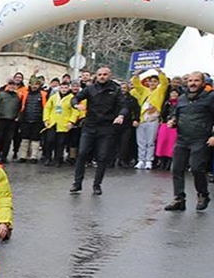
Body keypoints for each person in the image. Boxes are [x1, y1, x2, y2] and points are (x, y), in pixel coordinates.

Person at [163, 72, 214, 212]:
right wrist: (172, 120)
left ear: (203, 83)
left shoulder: (212, 97)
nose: (192, 83)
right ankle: (178, 199)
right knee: (177, 168)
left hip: (201, 139)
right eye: (190, 80)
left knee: (197, 168)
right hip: (182, 138)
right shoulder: (182, 98)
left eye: (196, 80)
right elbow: (174, 113)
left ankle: (203, 195)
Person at [69, 66, 129, 196]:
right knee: (82, 153)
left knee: (102, 157)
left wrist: (121, 116)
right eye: (100, 74)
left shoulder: (116, 90)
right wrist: (76, 105)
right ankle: (77, 183)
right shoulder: (90, 88)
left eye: (105, 74)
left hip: (106, 128)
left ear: (109, 75)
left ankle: (97, 185)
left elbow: (124, 106)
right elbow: (74, 98)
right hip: (90, 126)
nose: (102, 76)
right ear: (96, 76)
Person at [130, 69, 167, 170]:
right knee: (141, 141)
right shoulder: (144, 90)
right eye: (151, 81)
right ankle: (140, 160)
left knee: (150, 141)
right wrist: (137, 74)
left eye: (155, 81)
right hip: (143, 118)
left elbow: (165, 83)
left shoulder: (160, 91)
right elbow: (136, 84)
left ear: (157, 83)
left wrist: (160, 73)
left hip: (153, 119)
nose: (152, 83)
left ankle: (149, 161)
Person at [41, 78, 81, 166]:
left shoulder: (72, 98)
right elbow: (47, 108)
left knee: (60, 143)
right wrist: (46, 119)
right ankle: (48, 158)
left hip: (64, 124)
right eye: (62, 88)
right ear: (59, 88)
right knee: (49, 141)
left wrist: (71, 122)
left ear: (68, 88)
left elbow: (75, 111)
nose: (64, 90)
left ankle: (58, 159)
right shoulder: (54, 97)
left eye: (66, 88)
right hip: (52, 122)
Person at [16, 76, 47, 163]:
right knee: (24, 138)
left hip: (38, 120)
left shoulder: (43, 94)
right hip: (25, 119)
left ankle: (33, 156)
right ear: (29, 84)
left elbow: (46, 107)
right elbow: (20, 106)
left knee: (35, 139)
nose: (34, 86)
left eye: (36, 84)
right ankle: (23, 156)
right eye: (33, 84)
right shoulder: (25, 93)